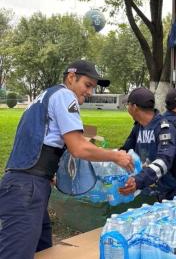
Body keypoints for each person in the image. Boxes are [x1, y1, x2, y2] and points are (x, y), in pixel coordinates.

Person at [0, 60, 133, 259]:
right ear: (71, 78)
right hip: (28, 189)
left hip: (27, 183)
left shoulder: (43, 97)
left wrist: (49, 170)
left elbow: (38, 139)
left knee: (44, 250)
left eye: (93, 88)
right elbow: (78, 147)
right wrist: (116, 156)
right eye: (87, 85)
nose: (90, 92)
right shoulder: (65, 96)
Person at [119, 88, 176, 200]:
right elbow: (125, 150)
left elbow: (164, 161)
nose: (127, 108)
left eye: (127, 105)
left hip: (174, 193)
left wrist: (138, 180)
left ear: (134, 107)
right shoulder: (138, 128)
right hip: (152, 191)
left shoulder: (165, 128)